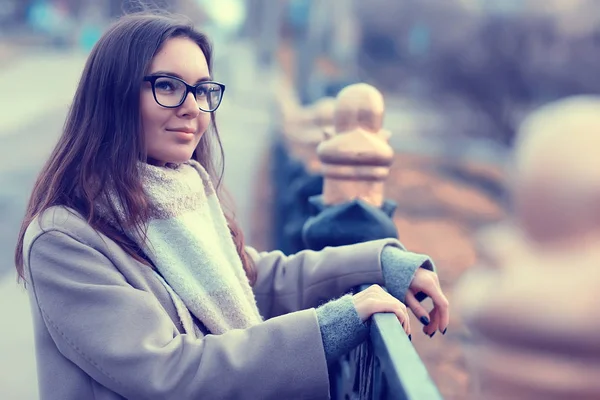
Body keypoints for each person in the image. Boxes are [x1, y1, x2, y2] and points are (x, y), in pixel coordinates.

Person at [14, 12, 450, 400]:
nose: (192, 108)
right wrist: (331, 325)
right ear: (114, 95)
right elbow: (167, 372)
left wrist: (380, 263)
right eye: (168, 86)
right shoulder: (63, 239)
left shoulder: (181, 196)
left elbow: (260, 280)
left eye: (202, 90)